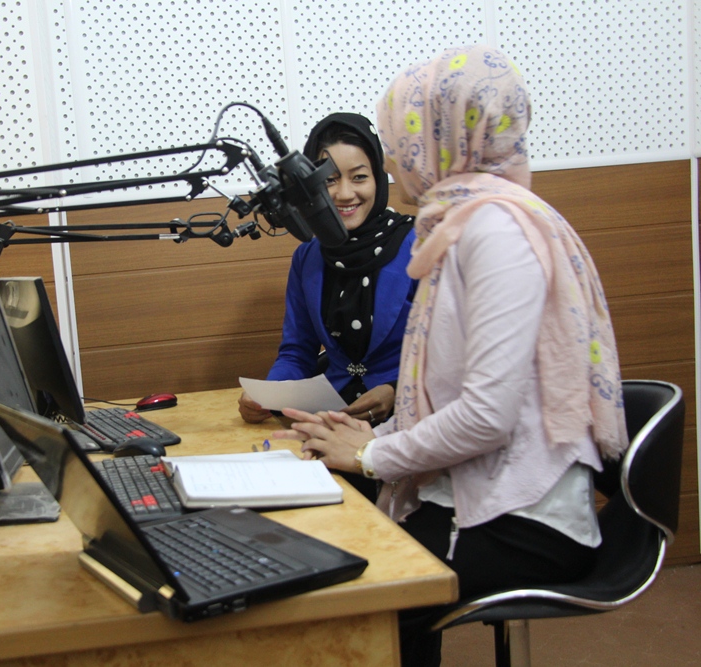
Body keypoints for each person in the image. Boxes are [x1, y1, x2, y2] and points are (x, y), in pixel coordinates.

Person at [272, 45, 628, 666]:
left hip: (523, 517)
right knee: (328, 560)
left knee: (347, 596)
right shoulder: (462, 222)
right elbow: (451, 395)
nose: (393, 160)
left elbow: (487, 416)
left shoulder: (496, 232)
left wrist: (372, 453)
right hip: (479, 493)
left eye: (397, 144)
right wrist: (372, 436)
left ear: (441, 139)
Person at [239, 112, 416, 426]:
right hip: (331, 419)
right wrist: (267, 394)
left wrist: (396, 389)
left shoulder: (419, 245)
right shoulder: (307, 256)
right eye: (329, 180)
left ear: (378, 177)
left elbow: (448, 356)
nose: (344, 194)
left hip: (409, 420)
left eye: (359, 177)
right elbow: (297, 352)